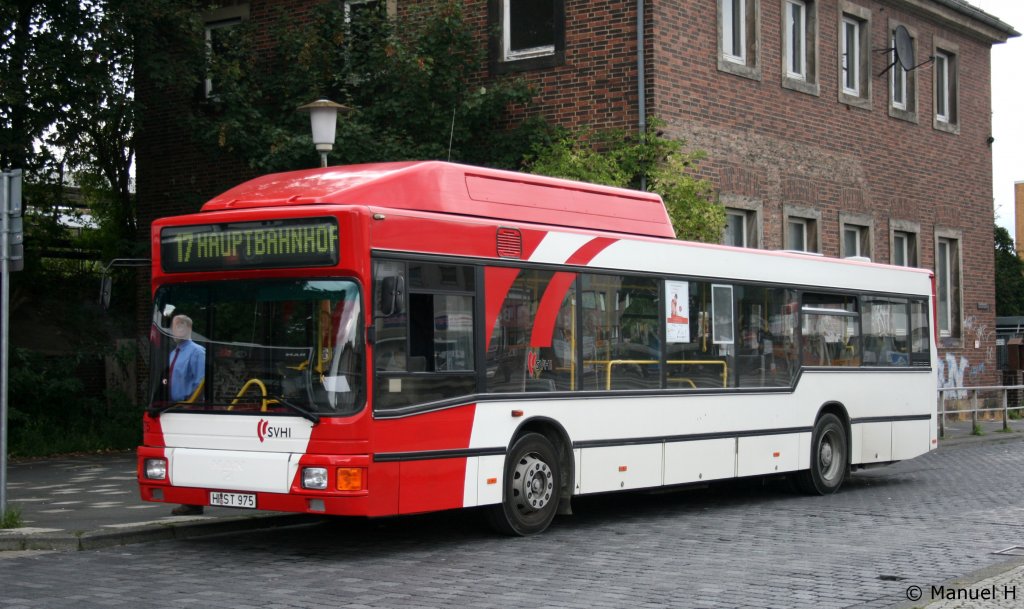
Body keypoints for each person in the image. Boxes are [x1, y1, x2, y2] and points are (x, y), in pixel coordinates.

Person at [166, 314, 207, 516]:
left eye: (180, 327)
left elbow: (202, 382)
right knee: (178, 456)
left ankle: (193, 502)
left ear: (189, 329)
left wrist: (193, 405)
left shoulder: (197, 352)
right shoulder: (173, 354)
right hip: (174, 408)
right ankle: (186, 499)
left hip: (190, 409)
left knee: (191, 455)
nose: (176, 331)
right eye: (174, 327)